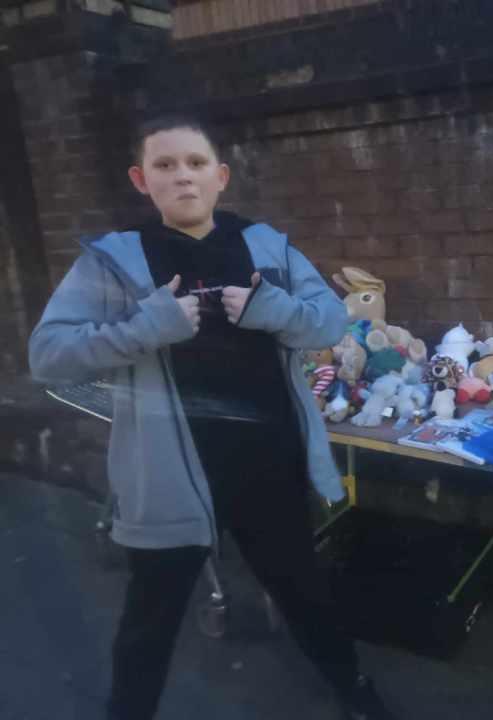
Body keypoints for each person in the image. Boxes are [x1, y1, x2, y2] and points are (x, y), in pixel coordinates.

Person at [28, 114, 396, 720]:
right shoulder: (113, 261)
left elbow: (331, 322)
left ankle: (355, 692)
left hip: (267, 465)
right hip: (169, 474)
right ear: (141, 179)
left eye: (195, 164)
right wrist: (147, 328)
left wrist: (272, 307)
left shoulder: (267, 245)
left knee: (306, 595)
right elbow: (48, 357)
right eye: (165, 166)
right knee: (150, 620)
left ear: (220, 176)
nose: (183, 178)